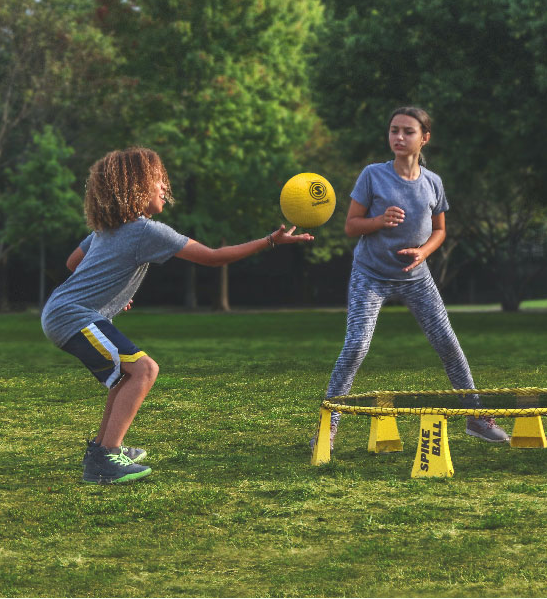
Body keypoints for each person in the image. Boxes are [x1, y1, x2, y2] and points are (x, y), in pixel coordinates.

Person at [42, 147, 314, 485]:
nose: (163, 188)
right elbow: (214, 257)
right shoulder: (147, 231)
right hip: (72, 316)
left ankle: (103, 448)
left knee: (129, 374)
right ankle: (105, 459)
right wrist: (270, 241)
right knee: (145, 369)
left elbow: (73, 263)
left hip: (64, 311)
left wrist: (111, 291)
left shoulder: (107, 229)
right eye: (157, 181)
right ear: (135, 186)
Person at [311, 106, 508, 453]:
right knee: (356, 346)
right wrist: (378, 221)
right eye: (394, 130)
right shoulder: (373, 175)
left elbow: (440, 230)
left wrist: (423, 253)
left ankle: (476, 418)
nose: (399, 137)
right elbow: (351, 226)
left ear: (424, 138)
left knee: (448, 344)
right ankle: (328, 426)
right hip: (370, 275)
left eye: (408, 131)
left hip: (416, 278)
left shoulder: (433, 182)